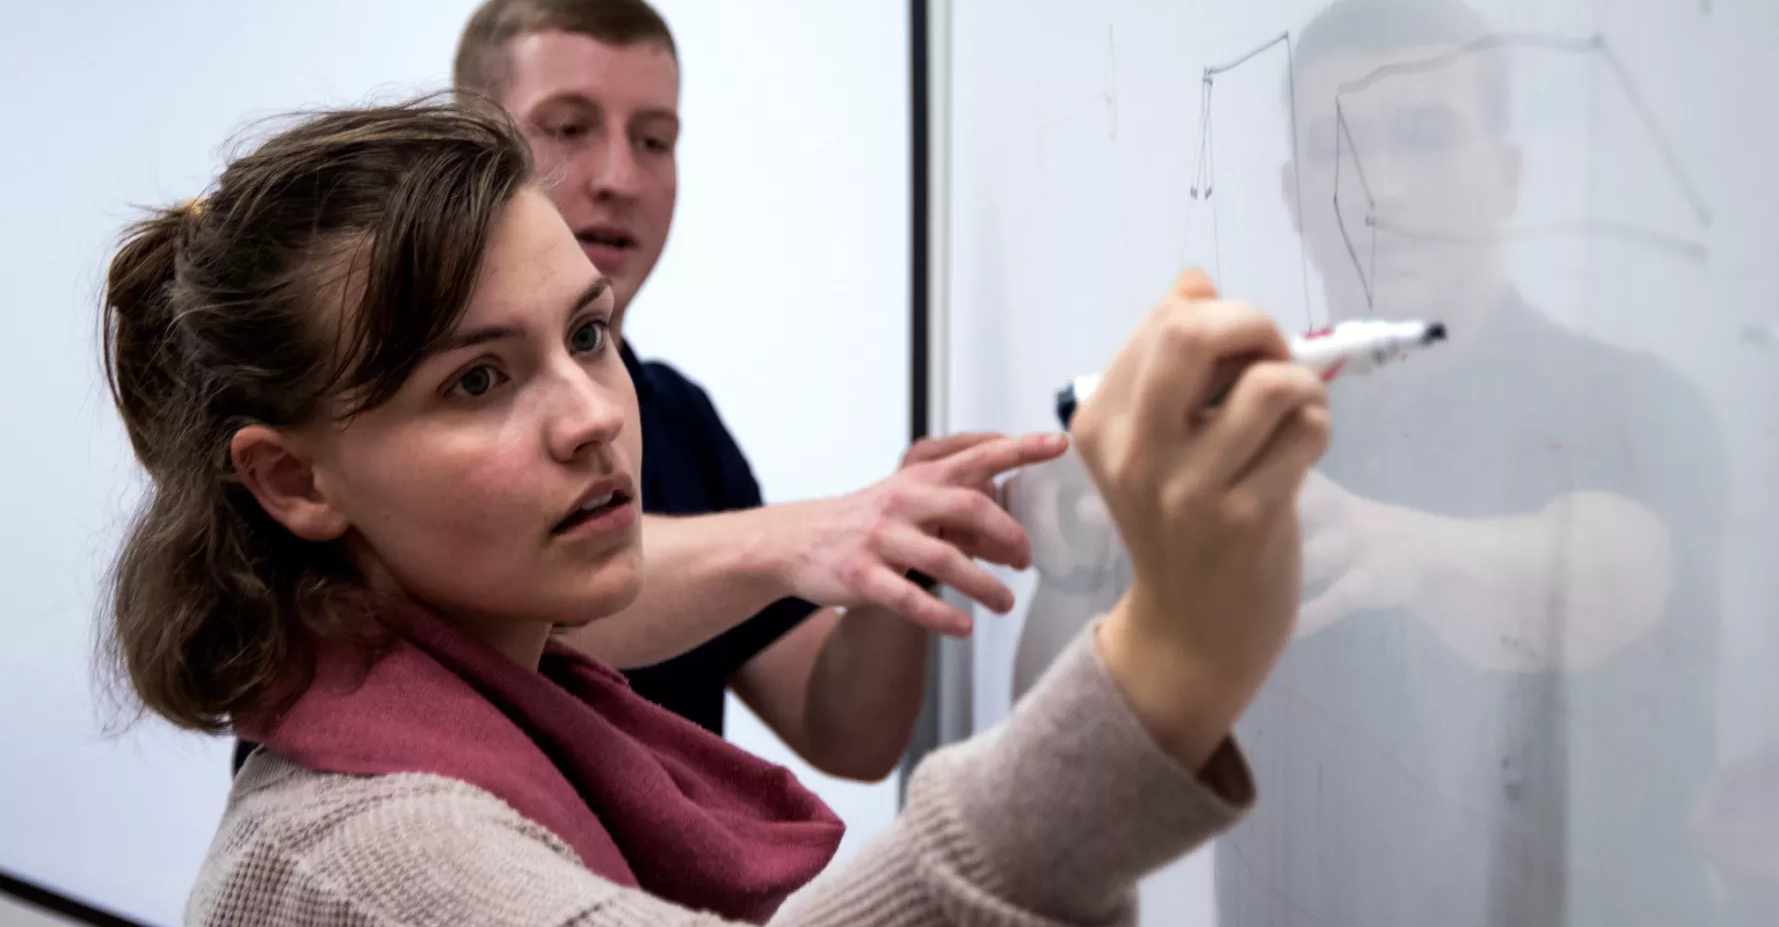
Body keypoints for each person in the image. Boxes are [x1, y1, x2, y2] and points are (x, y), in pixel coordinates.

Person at [101, 97, 1331, 923]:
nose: (590, 414)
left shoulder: (523, 690)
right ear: (294, 481)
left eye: (590, 335)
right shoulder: (362, 860)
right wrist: (1164, 665)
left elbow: (840, 715)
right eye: (476, 381)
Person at [436, 0, 1049, 779]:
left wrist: (903, 544)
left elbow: (846, 733)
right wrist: (805, 535)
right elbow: (529, 602)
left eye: (655, 139)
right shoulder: (416, 401)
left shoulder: (681, 419)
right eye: (570, 127)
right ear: (473, 145)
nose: (619, 176)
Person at [1214, 0, 1726, 926]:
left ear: (1508, 177)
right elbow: (1085, 725)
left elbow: (1624, 570)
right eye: (1341, 146)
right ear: (1294, 195)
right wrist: (1071, 557)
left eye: (1424, 137)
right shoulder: (1233, 438)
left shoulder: (1636, 404)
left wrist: (1411, 550)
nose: (1384, 188)